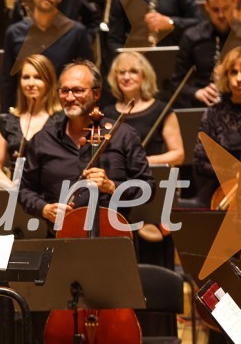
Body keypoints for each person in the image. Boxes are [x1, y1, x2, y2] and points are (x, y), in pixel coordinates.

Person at [19, 59, 153, 235]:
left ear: (96, 94)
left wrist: (112, 187)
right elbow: (24, 190)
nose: (69, 97)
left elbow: (148, 188)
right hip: (61, 241)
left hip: (114, 240)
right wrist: (44, 209)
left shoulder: (123, 135)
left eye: (78, 90)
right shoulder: (43, 140)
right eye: (64, 90)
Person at [0, 0, 93, 113]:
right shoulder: (14, 33)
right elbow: (7, 81)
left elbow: (87, 77)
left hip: (64, 112)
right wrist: (6, 116)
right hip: (27, 112)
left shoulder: (76, 32)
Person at [193, 45, 241, 203]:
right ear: (226, 76)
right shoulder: (214, 113)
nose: (239, 78)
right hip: (221, 189)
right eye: (234, 72)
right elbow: (200, 162)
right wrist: (230, 173)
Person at [0, 54, 60, 189]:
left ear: (49, 81)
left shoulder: (61, 120)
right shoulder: (8, 120)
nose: (31, 83)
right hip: (16, 197)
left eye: (38, 77)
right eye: (26, 77)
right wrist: (12, 189)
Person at [104, 51, 184, 166]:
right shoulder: (107, 113)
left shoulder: (161, 110)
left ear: (144, 76)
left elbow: (178, 155)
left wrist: (145, 161)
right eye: (121, 72)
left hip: (151, 178)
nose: (126, 77)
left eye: (133, 71)